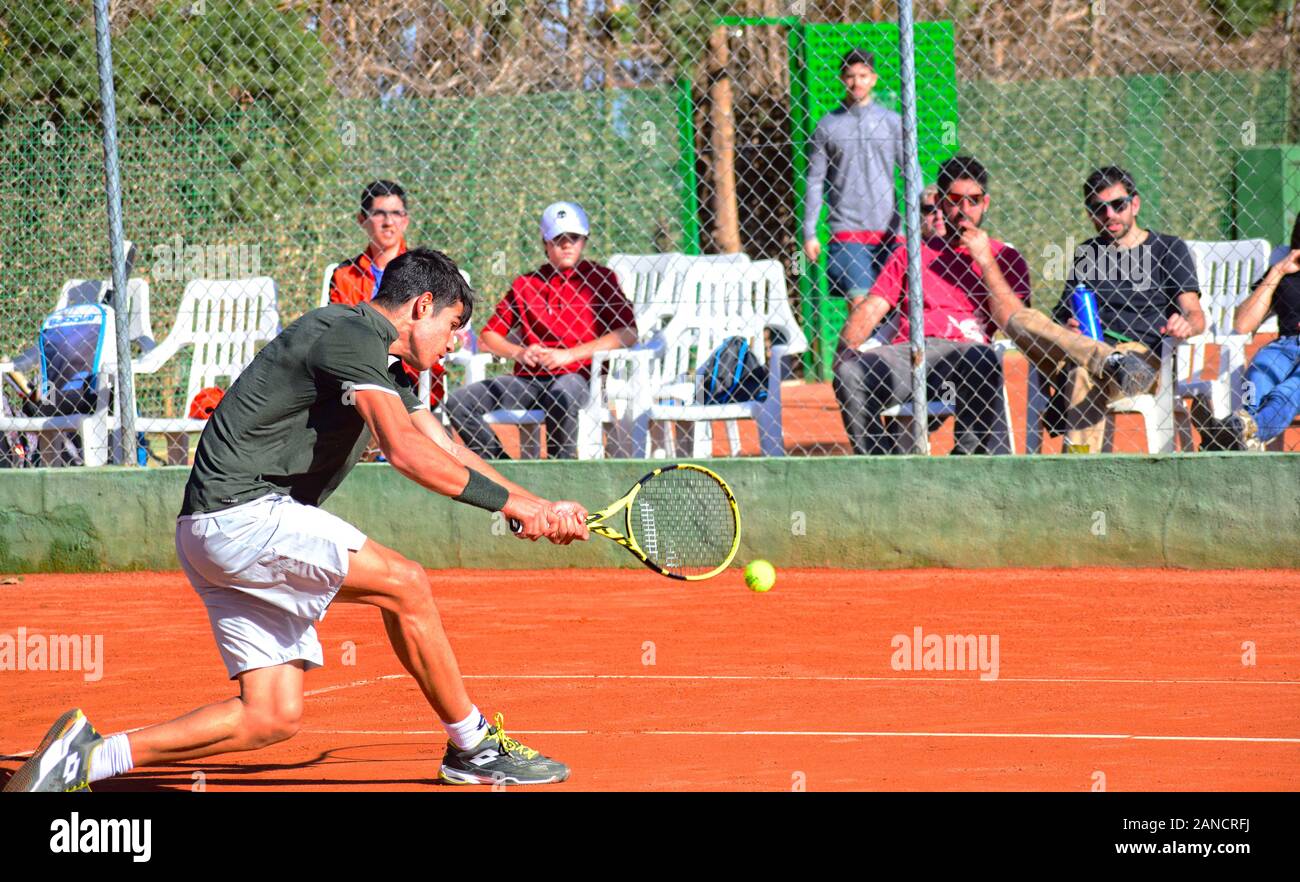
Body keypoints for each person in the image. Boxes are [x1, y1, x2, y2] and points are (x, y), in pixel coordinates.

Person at [5, 248, 589, 792]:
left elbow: (444, 446)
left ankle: (86, 759)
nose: (456, 340)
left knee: (270, 715)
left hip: (212, 531)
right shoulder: (351, 333)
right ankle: (472, 746)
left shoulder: (382, 362)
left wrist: (535, 506)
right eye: (454, 323)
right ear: (420, 307)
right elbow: (407, 453)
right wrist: (517, 509)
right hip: (244, 515)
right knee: (406, 584)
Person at [833, 157, 1029, 455]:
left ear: (985, 202)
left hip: (966, 354)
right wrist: (843, 352)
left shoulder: (1004, 257)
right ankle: (882, 472)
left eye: (973, 200)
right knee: (849, 374)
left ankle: (964, 467)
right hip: (910, 353)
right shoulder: (910, 254)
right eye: (954, 200)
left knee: (982, 359)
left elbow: (1016, 320)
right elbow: (873, 307)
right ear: (940, 202)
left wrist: (985, 260)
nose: (964, 210)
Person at [1024, 166, 1205, 452]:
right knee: (1028, 322)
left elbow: (1195, 314)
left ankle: (1079, 468)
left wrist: (1185, 324)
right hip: (1090, 349)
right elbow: (1063, 315)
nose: (1109, 215)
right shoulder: (1087, 254)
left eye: (1118, 205)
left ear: (1135, 204)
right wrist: (1066, 326)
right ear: (1089, 213)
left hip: (1141, 359)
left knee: (1081, 373)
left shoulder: (1168, 249)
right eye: (1099, 208)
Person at [445, 201, 637, 460]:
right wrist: (521, 352)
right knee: (459, 402)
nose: (567, 244)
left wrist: (569, 355)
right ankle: (504, 471)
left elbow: (628, 333)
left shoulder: (600, 278)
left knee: (562, 396)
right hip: (529, 381)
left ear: (584, 241)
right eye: (559, 238)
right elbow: (489, 337)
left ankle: (559, 472)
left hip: (577, 378)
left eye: (575, 237)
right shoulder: (526, 284)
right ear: (546, 243)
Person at [802, 48, 903, 301]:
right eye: (850, 76)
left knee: (891, 310)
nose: (857, 82)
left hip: (891, 232)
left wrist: (920, 221)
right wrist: (809, 232)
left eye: (863, 75)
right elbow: (815, 181)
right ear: (841, 79)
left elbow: (911, 172)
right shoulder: (827, 125)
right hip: (847, 231)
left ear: (874, 78)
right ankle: (851, 344)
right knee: (860, 304)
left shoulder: (892, 121)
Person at [1200, 211, 1300, 450]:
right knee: (1255, 379)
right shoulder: (1285, 269)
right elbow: (1243, 323)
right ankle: (1242, 433)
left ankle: (1234, 434)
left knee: (1289, 390)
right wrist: (1277, 272)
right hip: (1284, 346)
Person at [329, 180, 410, 305]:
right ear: (362, 220)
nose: (388, 222)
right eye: (378, 213)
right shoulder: (345, 275)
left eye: (396, 213)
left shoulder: (422, 271)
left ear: (405, 220)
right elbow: (337, 323)